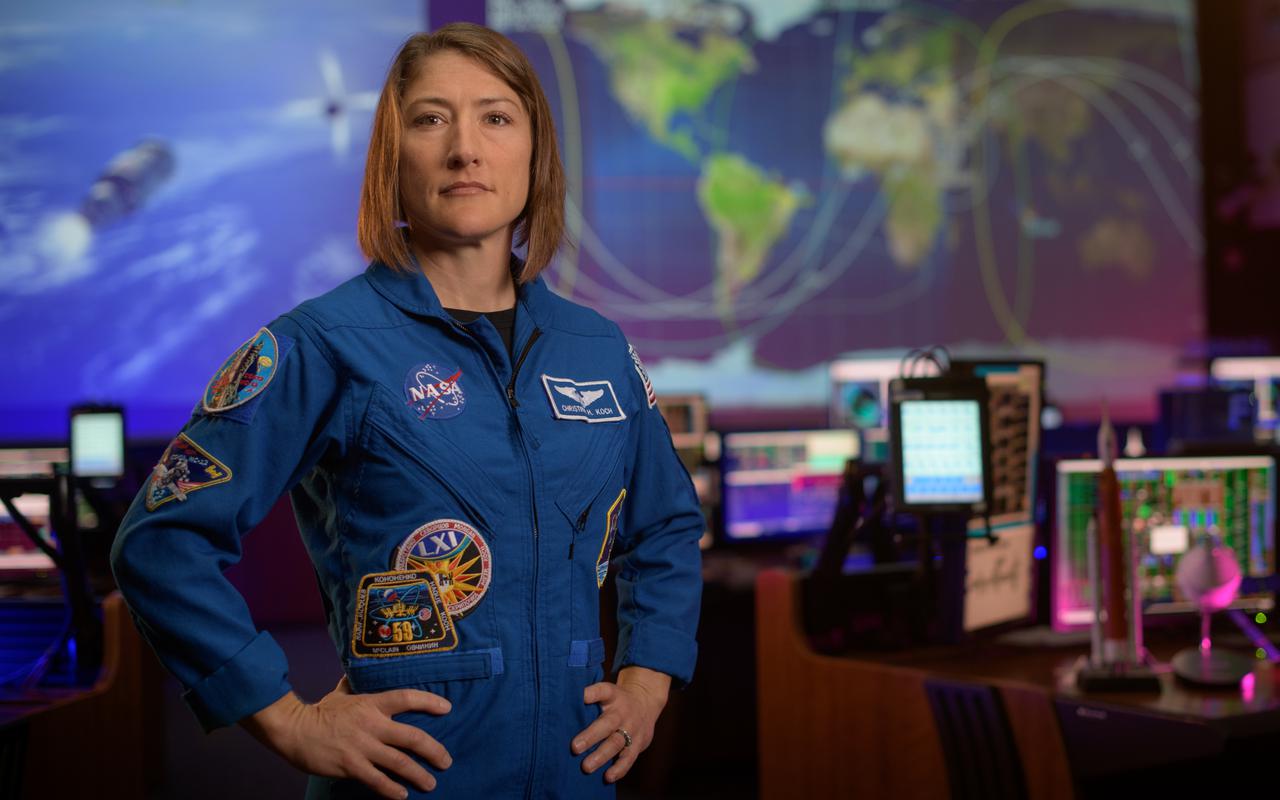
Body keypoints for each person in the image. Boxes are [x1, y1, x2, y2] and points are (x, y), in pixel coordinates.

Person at [110, 22, 703, 799]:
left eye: (496, 117)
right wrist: (285, 719)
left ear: (535, 152)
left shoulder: (597, 349)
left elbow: (667, 526)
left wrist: (649, 677)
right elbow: (162, 542)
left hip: (576, 777)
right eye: (430, 119)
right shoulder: (323, 344)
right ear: (394, 156)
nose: (465, 150)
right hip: (408, 783)